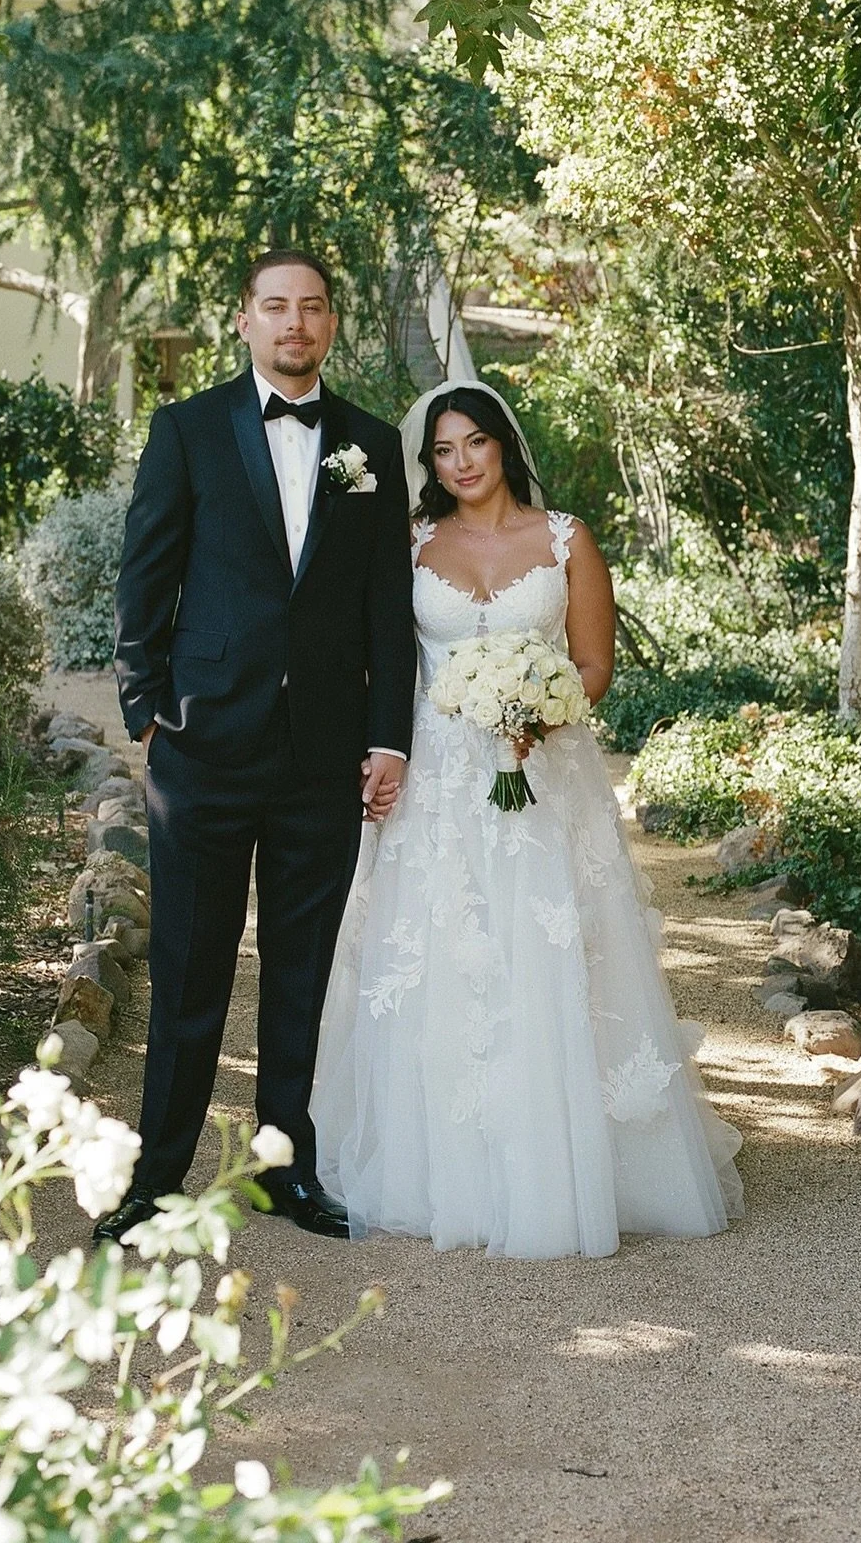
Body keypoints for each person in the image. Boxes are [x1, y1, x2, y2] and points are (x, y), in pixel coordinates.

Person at [312, 382, 743, 1258]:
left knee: (550, 953)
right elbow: (380, 655)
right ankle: (448, 1170)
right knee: (445, 954)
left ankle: (566, 1167)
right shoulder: (410, 542)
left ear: (503, 445)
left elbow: (593, 666)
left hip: (543, 774)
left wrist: (539, 711)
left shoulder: (565, 539)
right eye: (443, 451)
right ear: (429, 464)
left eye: (474, 442)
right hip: (438, 783)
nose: (461, 462)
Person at [97, 251, 417, 1245]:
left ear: (331, 323)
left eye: (312, 307)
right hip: (202, 748)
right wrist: (145, 706)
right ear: (244, 320)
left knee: (299, 975)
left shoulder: (370, 443)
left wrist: (388, 737)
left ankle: (283, 1173)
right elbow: (144, 574)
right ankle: (156, 1181)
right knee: (189, 973)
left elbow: (386, 604)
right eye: (276, 307)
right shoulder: (187, 430)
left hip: (323, 755)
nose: (295, 324)